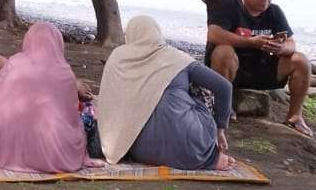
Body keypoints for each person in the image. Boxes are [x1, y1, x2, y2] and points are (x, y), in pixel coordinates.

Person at [99, 14, 236, 171]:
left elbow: (108, 103)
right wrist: (220, 130)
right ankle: (211, 157)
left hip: (137, 149)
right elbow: (224, 87)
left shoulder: (117, 57)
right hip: (191, 150)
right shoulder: (177, 58)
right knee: (200, 88)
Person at [0, 24, 98, 174]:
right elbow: (70, 119)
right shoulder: (65, 73)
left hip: (6, 145)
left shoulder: (15, 64)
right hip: (53, 153)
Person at [205, 0, 314, 136]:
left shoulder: (274, 12)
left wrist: (281, 47)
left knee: (301, 60)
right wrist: (250, 42)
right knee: (223, 52)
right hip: (233, 70)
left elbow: (291, 43)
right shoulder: (230, 8)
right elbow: (213, 34)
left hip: (261, 69)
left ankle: (294, 117)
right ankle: (222, 108)